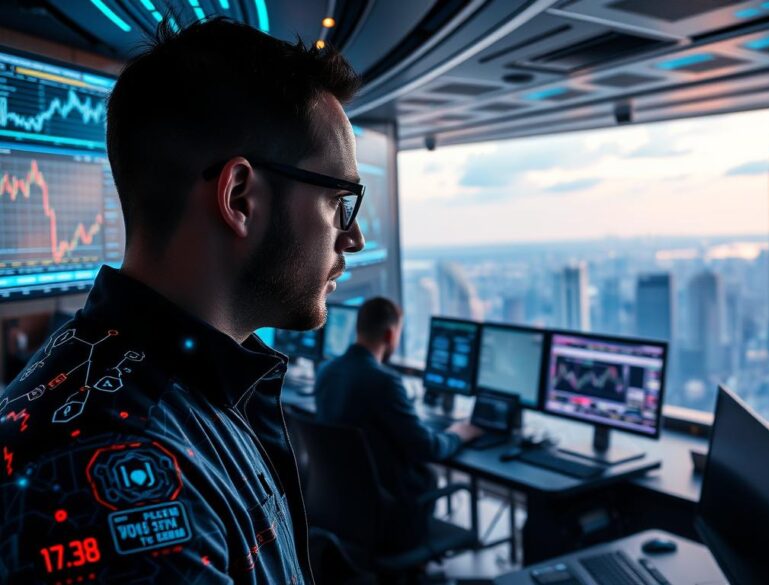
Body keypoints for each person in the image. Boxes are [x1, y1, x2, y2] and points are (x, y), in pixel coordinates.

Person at [0, 17, 364, 584]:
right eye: (338, 200)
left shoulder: (171, 383)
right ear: (240, 197)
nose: (353, 237)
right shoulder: (119, 477)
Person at [314, 297, 482, 552]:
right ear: (391, 335)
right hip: (391, 522)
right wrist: (459, 433)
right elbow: (427, 448)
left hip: (343, 512)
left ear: (358, 328)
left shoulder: (326, 372)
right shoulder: (384, 382)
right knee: (428, 475)